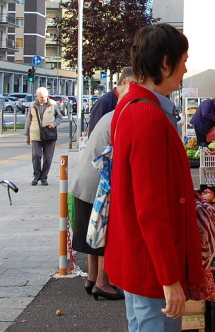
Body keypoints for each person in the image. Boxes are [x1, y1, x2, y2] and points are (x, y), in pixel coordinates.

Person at [106, 23, 202, 330]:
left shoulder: (130, 107)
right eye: (183, 61)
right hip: (150, 266)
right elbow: (151, 207)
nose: (185, 69)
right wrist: (169, 277)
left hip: (137, 258)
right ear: (165, 62)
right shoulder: (148, 116)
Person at [69, 81, 130, 301]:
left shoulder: (110, 114)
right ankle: (103, 283)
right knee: (105, 233)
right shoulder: (121, 117)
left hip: (85, 181)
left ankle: (93, 278)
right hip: (97, 184)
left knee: (93, 233)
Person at [25, 86, 63, 186]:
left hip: (49, 134)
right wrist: (27, 136)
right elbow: (28, 120)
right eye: (41, 97)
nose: (44, 99)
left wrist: (54, 124)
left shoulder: (53, 104)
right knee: (36, 155)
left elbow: (59, 117)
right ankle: (36, 176)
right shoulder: (32, 105)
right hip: (36, 133)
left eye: (45, 97)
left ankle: (44, 177)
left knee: (48, 157)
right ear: (37, 96)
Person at [87, 66, 134, 135]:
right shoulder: (103, 103)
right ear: (124, 83)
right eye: (135, 84)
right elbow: (94, 133)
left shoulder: (130, 101)